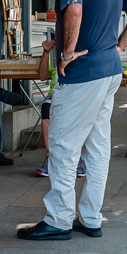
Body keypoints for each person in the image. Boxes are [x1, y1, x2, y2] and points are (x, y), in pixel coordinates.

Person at [17, 0, 127, 241]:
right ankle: (90, 218)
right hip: (109, 70)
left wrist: (65, 54)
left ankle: (59, 220)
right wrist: (118, 47)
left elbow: (73, 8)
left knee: (63, 147)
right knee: (98, 148)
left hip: (82, 75)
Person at [33, 37, 86, 179]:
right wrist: (45, 52)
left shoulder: (81, 47)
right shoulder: (54, 51)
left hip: (78, 92)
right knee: (46, 108)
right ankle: (50, 156)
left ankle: (78, 158)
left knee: (77, 111)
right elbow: (42, 76)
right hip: (56, 92)